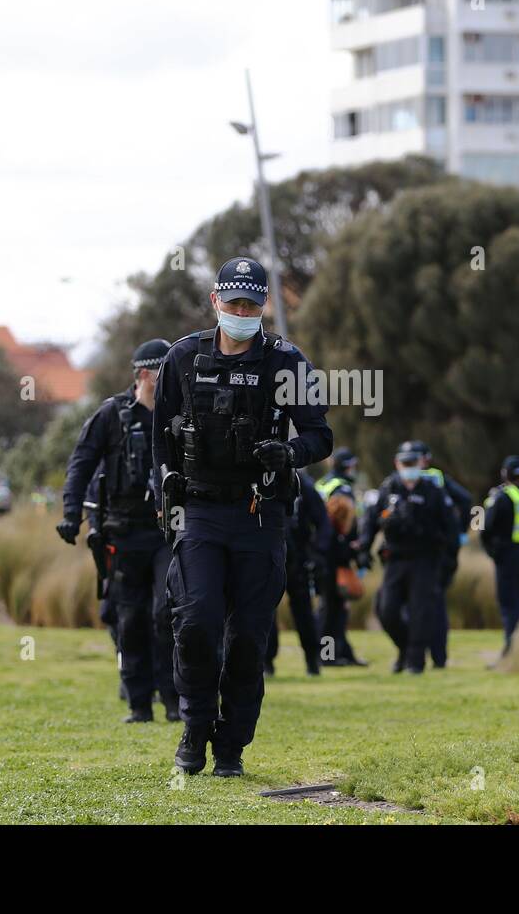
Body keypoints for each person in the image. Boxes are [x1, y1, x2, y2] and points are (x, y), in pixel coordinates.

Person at [153, 257, 332, 777]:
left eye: (251, 304)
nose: (241, 312)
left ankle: (231, 746)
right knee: (197, 622)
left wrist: (289, 454)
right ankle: (194, 729)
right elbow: (161, 435)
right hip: (202, 512)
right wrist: (163, 483)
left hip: (260, 514)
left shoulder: (286, 361)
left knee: (250, 638)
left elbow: (320, 436)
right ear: (215, 301)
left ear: (263, 307)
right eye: (232, 302)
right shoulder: (182, 359)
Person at [58, 338, 177, 723]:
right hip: (123, 532)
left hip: (167, 533)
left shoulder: (180, 413)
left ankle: (174, 699)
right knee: (130, 618)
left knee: (167, 612)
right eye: (164, 372)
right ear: (145, 374)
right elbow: (81, 464)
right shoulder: (112, 415)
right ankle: (139, 703)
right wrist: (72, 513)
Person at [358, 442, 459, 674]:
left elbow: (450, 527)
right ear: (397, 464)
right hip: (395, 559)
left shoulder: (433, 491)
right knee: (387, 609)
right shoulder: (388, 488)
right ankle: (405, 648)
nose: (409, 468)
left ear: (420, 464)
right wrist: (363, 548)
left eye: (413, 464)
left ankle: (415, 662)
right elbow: (371, 520)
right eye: (405, 464)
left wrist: (449, 559)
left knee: (420, 611)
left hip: (425, 559)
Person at [414, 441, 472, 669]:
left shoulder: (407, 480)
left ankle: (420, 656)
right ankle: (437, 658)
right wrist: (460, 532)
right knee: (435, 604)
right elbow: (465, 499)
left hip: (425, 552)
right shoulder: (439, 479)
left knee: (422, 604)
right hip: (440, 550)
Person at [266, 469, 330, 677]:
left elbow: (322, 522)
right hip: (266, 555)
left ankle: (313, 659)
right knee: (265, 612)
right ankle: (266, 662)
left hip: (298, 558)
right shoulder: (260, 479)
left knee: (303, 611)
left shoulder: (303, 483)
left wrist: (318, 553)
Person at [481, 455, 519, 652]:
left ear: (504, 475)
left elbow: (486, 529)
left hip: (508, 556)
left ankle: (512, 650)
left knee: (510, 605)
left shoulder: (501, 497)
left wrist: (493, 553)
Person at [316, 448, 366, 666]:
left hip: (321, 552)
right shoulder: (341, 489)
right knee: (332, 610)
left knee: (334, 608)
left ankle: (343, 653)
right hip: (335, 556)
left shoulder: (322, 484)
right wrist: (352, 550)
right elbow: (341, 523)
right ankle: (327, 656)